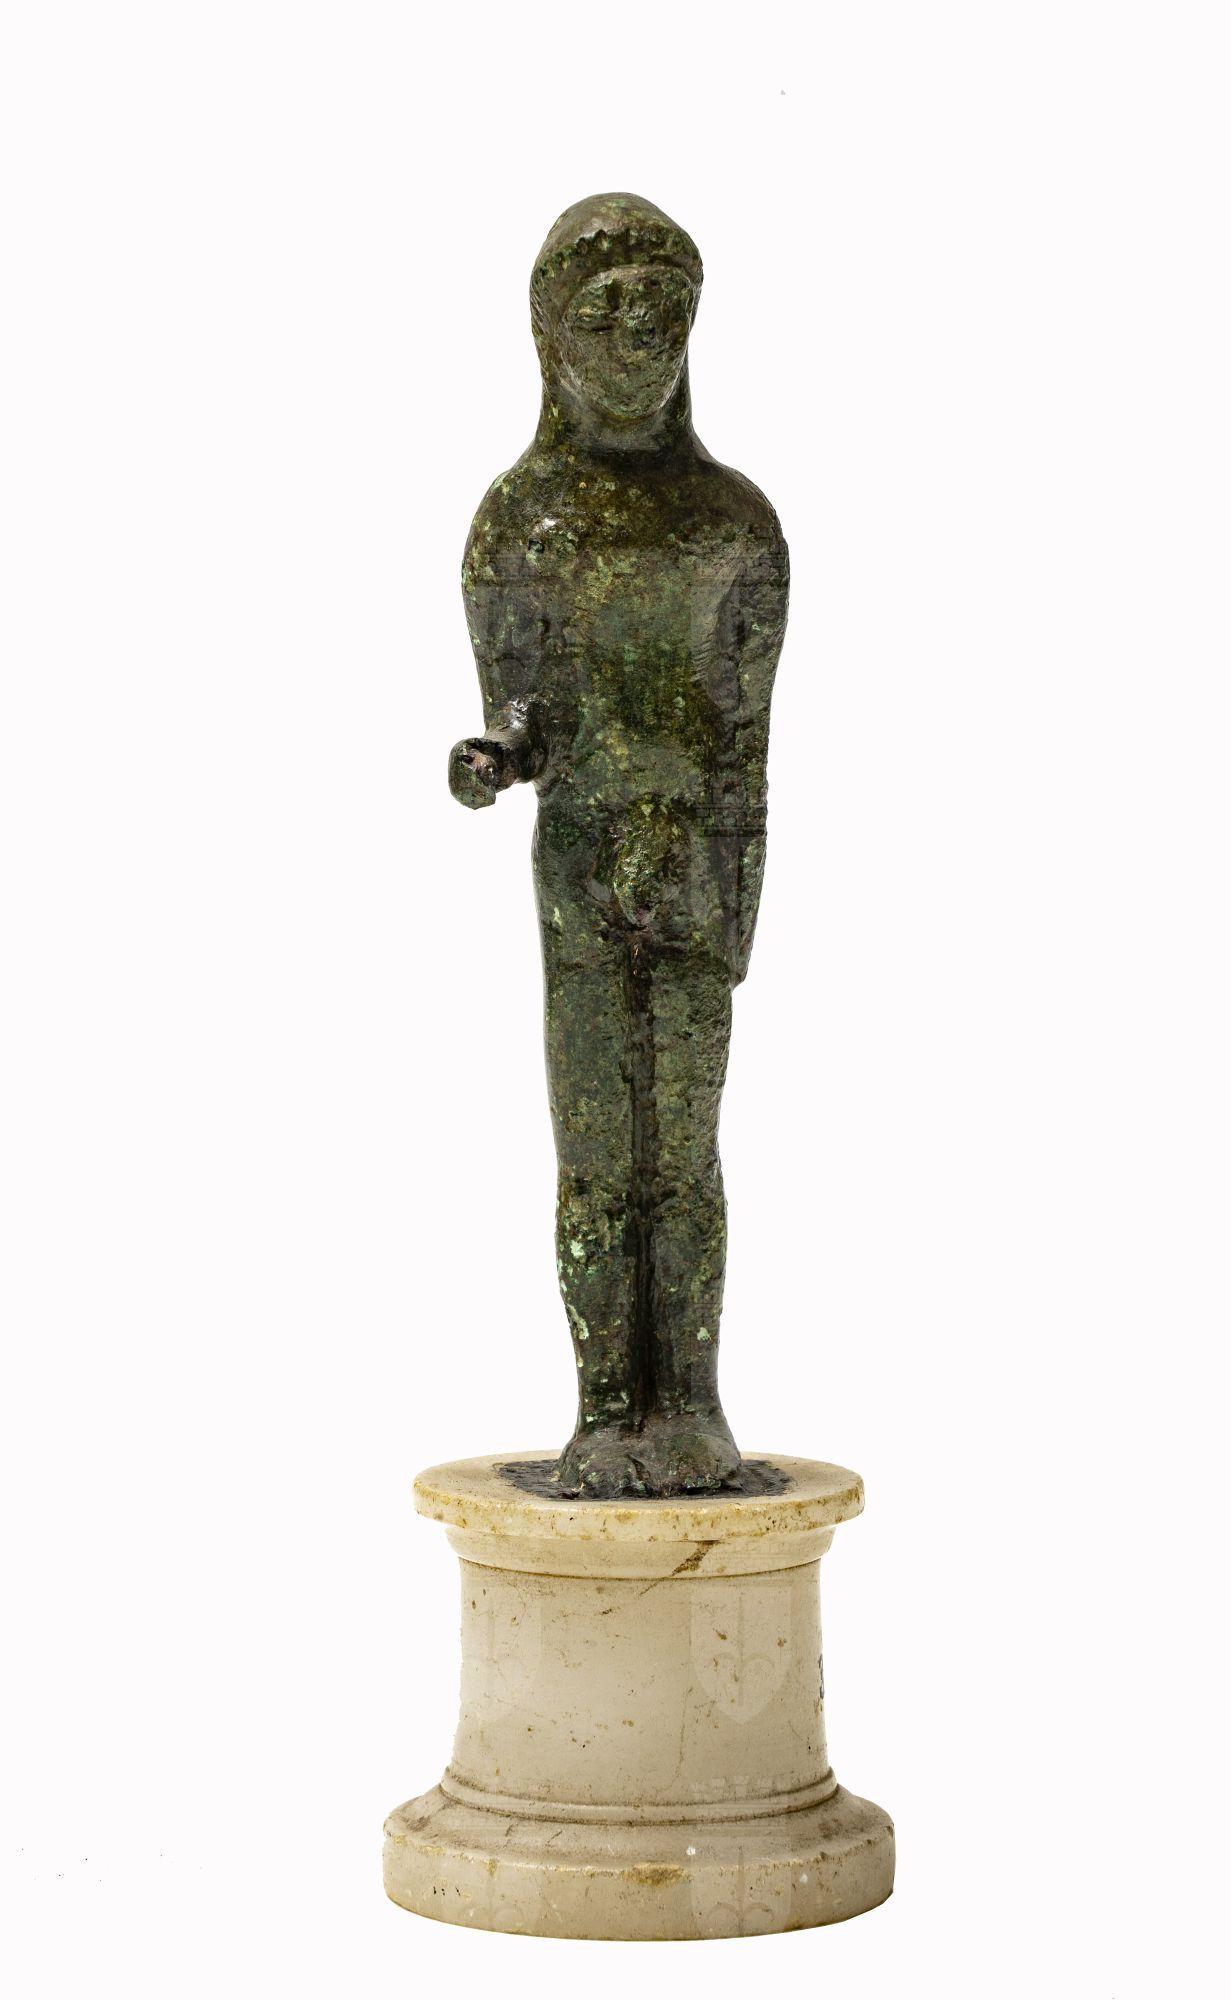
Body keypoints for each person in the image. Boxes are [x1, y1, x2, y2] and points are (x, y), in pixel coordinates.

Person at [449, 194, 789, 1496]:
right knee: (598, 1159)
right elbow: (522, 708)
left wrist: (740, 897)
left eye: (662, 309)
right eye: (606, 311)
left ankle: (689, 1408)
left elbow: (746, 739)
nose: (639, 336)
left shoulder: (734, 524)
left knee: (684, 1157)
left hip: (690, 860)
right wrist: (496, 757)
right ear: (551, 331)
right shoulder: (521, 519)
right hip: (583, 865)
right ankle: (605, 1414)